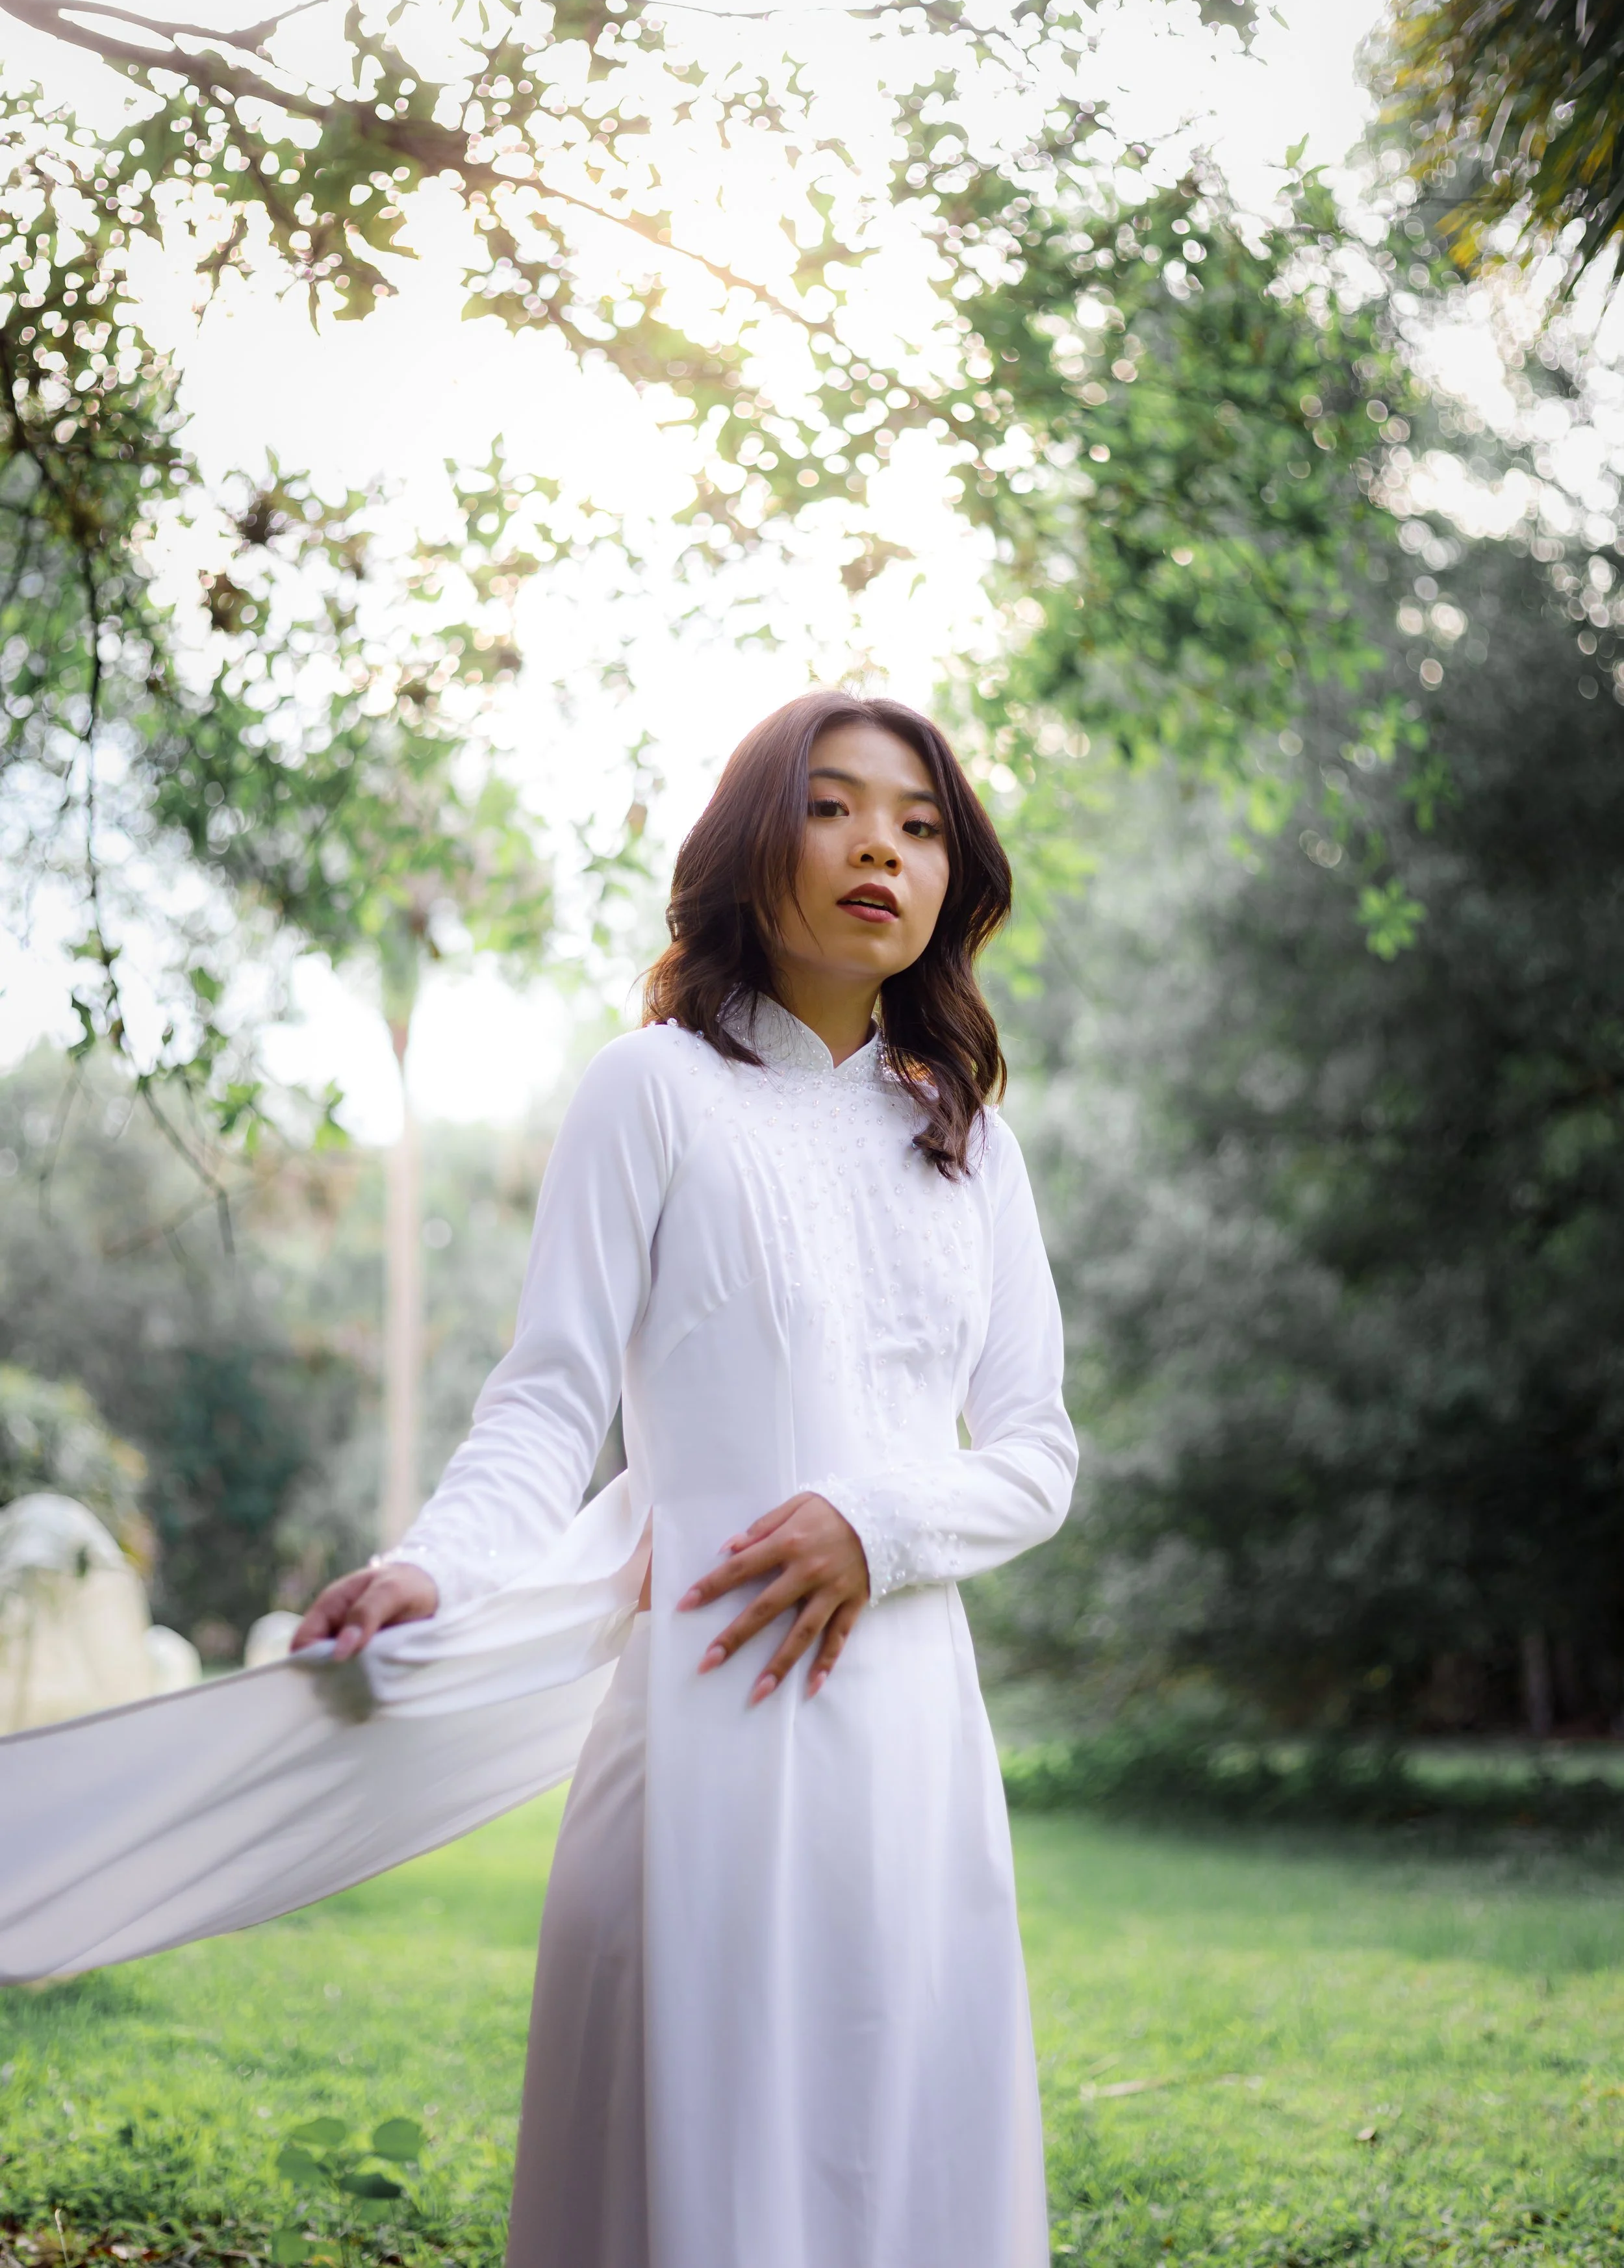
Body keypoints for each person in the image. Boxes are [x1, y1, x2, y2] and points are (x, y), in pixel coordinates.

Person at [291, 691, 1078, 2268]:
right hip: (711, 1722)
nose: (878, 849)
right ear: (749, 843)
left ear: (953, 879)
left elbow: (1035, 1455)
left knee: (900, 2146)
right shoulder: (648, 1090)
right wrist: (435, 1565)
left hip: (913, 1740)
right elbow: (549, 1400)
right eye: (832, 806)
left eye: (919, 825)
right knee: (698, 2167)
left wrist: (877, 1523)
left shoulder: (966, 1139)